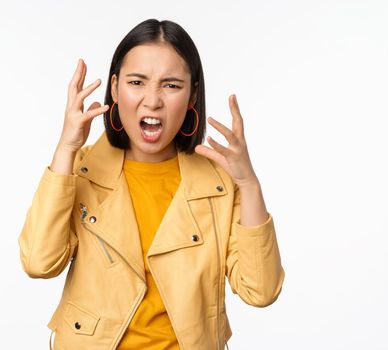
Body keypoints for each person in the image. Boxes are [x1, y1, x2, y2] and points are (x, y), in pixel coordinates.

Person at [17, 18, 285, 350]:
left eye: (171, 85)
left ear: (192, 95)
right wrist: (66, 149)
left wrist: (249, 184)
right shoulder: (80, 170)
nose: (153, 100)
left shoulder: (220, 184)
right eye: (137, 82)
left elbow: (260, 290)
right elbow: (39, 262)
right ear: (115, 88)